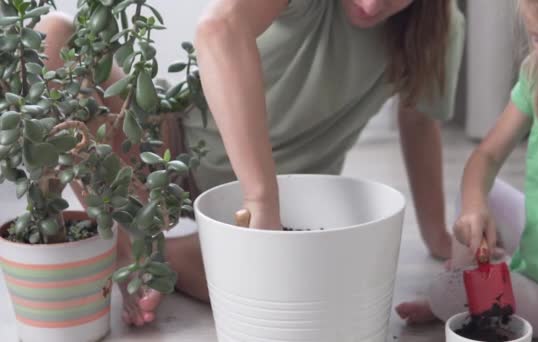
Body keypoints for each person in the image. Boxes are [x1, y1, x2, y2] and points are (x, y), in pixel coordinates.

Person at [37, 0, 465, 326]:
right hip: (166, 147)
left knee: (310, 298)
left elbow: (419, 120)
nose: (372, 5)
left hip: (294, 203)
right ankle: (131, 247)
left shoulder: (442, 29)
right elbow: (219, 29)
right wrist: (261, 197)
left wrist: (436, 235)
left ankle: (154, 256)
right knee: (50, 36)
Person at [396, 0, 538, 338]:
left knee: (445, 293)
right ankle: (473, 287)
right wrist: (475, 207)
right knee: (481, 194)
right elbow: (487, 157)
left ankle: (462, 299)